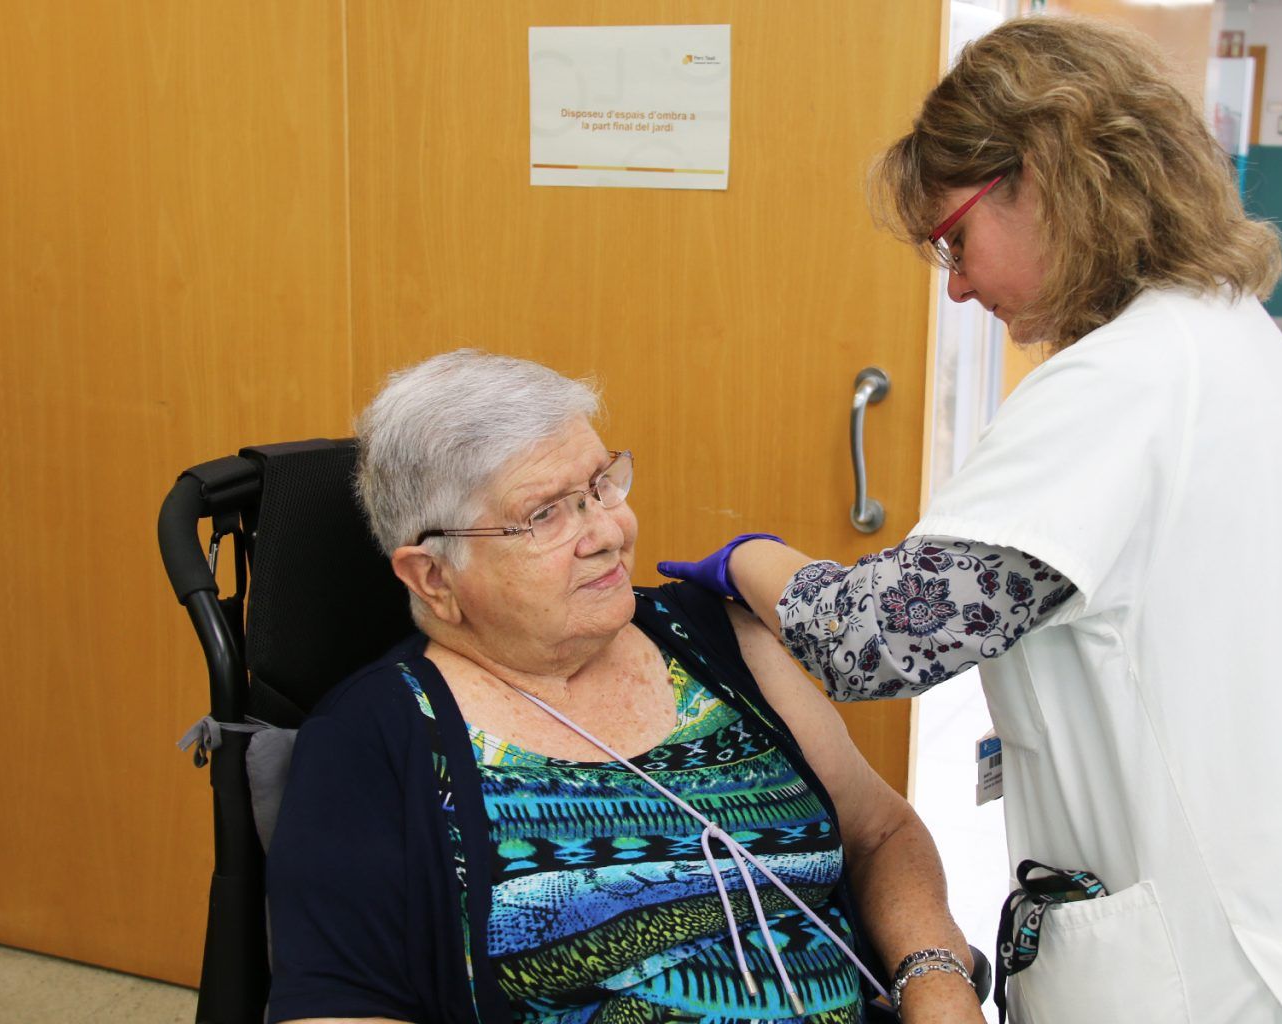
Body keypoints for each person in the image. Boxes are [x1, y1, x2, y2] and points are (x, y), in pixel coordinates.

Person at [660, 16, 1282, 1024]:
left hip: (1260, 957)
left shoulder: (1120, 383)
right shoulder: (1218, 325)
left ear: (1049, 178)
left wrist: (752, 557)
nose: (961, 283)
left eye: (956, 240)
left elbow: (873, 639)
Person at [264, 349, 989, 1024]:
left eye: (601, 484)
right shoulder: (370, 744)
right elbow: (339, 1007)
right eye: (545, 514)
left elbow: (880, 832)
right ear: (432, 577)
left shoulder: (711, 638)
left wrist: (936, 979)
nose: (608, 531)